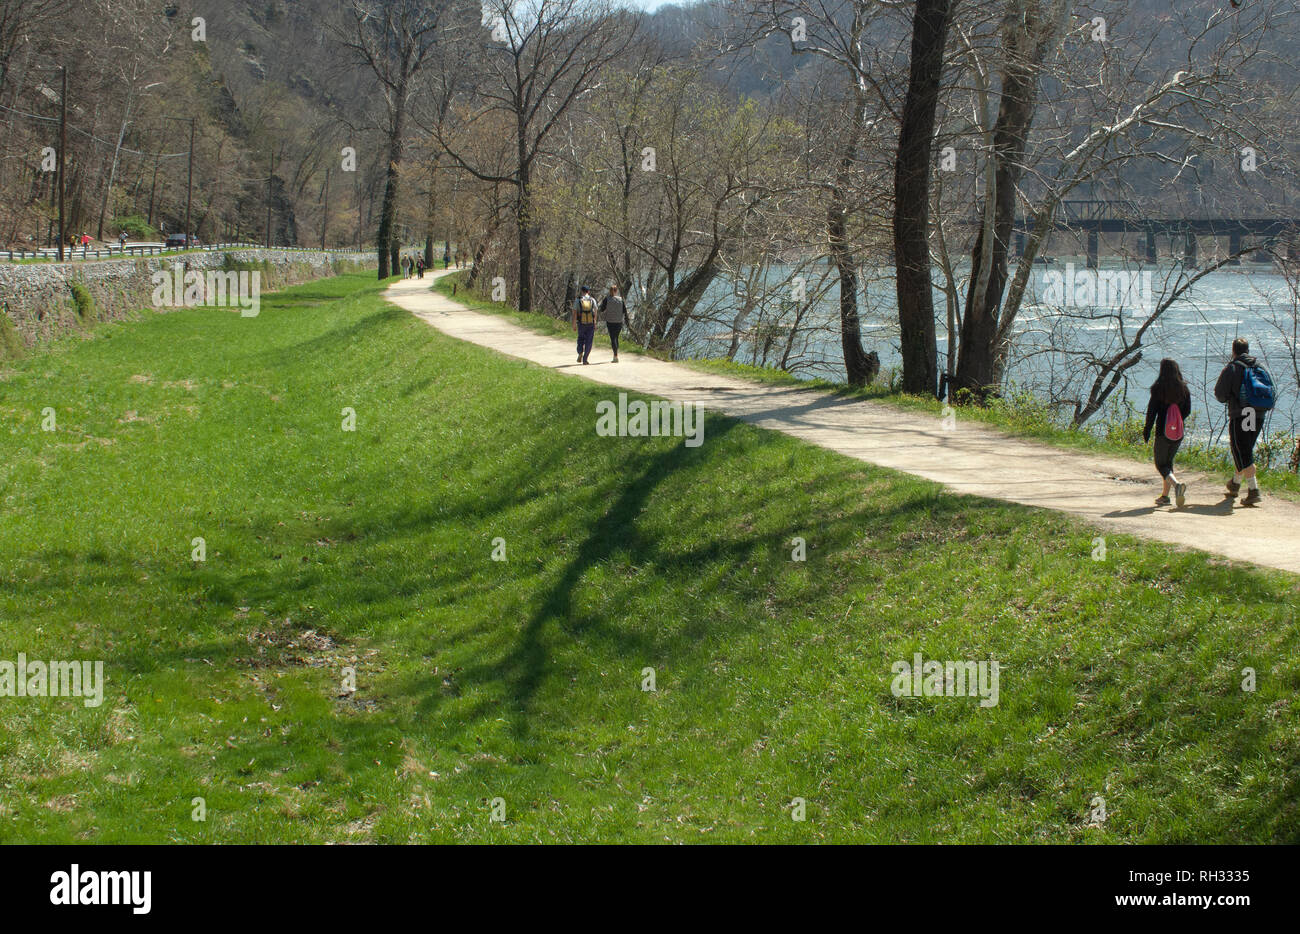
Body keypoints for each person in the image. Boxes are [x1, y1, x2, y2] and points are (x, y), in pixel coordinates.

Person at [1214, 337, 1274, 506]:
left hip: (1241, 413)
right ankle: (1235, 484)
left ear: (1234, 351)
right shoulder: (1260, 366)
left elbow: (1220, 394)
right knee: (1244, 450)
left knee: (1242, 451)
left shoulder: (1232, 368)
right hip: (1258, 414)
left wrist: (1229, 398)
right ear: (1247, 350)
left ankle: (1254, 490)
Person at [1143, 358, 1192, 508]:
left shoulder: (1158, 388)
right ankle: (1165, 496)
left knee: (1160, 465)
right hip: (1178, 433)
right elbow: (1187, 411)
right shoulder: (1184, 389)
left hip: (1162, 432)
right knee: (1168, 463)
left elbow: (1152, 412)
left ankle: (1177, 486)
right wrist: (1177, 421)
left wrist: (1147, 430)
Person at [599, 283, 626, 363]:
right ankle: (616, 353)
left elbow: (602, 309)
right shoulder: (621, 299)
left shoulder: (607, 299)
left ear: (610, 291)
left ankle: (615, 355)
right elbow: (624, 310)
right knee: (616, 337)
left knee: (613, 338)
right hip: (619, 321)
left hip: (610, 321)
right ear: (616, 291)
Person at [573, 285, 598, 365]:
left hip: (581, 323)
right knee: (589, 341)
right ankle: (585, 359)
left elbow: (575, 312)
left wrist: (574, 324)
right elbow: (596, 311)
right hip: (590, 323)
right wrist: (595, 322)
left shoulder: (578, 300)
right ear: (588, 292)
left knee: (580, 338)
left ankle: (580, 351)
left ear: (582, 291)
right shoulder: (592, 300)